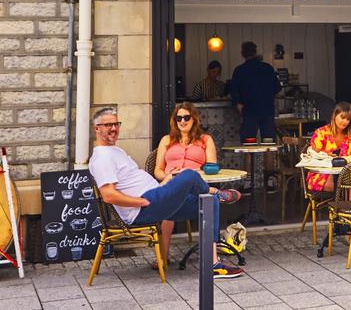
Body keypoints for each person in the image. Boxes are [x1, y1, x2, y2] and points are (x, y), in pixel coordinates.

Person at [88, 107, 243, 279]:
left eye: (116, 124)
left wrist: (165, 182)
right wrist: (141, 202)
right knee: (189, 175)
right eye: (108, 125)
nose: (114, 128)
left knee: (209, 203)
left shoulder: (115, 150)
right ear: (97, 128)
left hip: (156, 196)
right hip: (143, 207)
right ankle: (218, 193)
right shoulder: (102, 158)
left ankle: (212, 264)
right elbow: (109, 195)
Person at [153, 102, 217, 264]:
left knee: (212, 202)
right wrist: (168, 176)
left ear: (194, 119)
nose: (182, 121)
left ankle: (213, 259)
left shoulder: (205, 140)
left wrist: (193, 174)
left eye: (186, 117)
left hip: (194, 187)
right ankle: (163, 257)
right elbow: (157, 171)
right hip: (172, 187)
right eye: (178, 118)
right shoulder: (167, 140)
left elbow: (212, 168)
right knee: (170, 204)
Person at [230, 41, 282, 141]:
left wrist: (238, 103)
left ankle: (249, 157)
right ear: (255, 52)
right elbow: (277, 88)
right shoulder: (267, 68)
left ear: (242, 54)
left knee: (248, 145)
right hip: (267, 110)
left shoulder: (240, 70)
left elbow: (234, 91)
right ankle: (268, 157)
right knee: (269, 145)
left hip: (249, 111)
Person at [306, 102, 351, 193]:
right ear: (335, 115)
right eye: (342, 117)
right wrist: (326, 155)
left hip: (346, 175)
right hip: (321, 175)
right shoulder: (321, 133)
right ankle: (350, 205)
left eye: (348, 119)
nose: (345, 122)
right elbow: (313, 156)